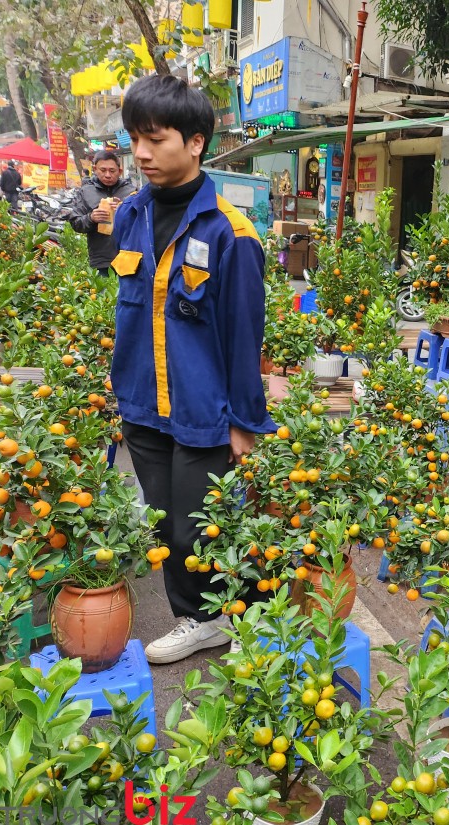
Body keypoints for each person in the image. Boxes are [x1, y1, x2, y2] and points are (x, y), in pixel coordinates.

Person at [110, 74, 276, 664]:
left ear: (197, 141)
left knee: (194, 527)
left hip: (204, 411)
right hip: (142, 403)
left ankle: (219, 618)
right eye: (135, 139)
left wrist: (245, 425)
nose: (142, 154)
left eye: (155, 139)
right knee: (162, 525)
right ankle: (198, 616)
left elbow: (242, 338)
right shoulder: (129, 216)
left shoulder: (232, 234)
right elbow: (133, 312)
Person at [69, 150, 136, 276]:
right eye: (102, 170)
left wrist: (123, 211)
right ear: (95, 169)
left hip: (129, 258)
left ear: (120, 171)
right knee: (103, 295)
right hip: (101, 260)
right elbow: (75, 222)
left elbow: (143, 222)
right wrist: (91, 218)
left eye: (112, 171)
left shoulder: (131, 192)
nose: (107, 175)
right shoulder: (86, 192)